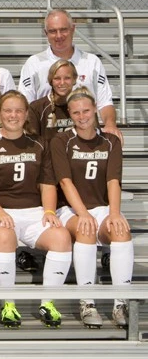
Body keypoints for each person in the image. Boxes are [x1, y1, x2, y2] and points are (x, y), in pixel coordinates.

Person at [0, 90, 72, 328]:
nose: (13, 115)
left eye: (19, 110)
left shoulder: (39, 143)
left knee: (61, 237)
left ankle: (48, 303)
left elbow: (47, 183)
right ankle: (8, 304)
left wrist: (50, 212)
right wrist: (0, 213)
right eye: (8, 110)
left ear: (26, 114)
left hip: (33, 212)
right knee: (4, 235)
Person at [53, 87, 132, 328]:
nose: (82, 116)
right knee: (85, 230)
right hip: (70, 209)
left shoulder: (110, 141)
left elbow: (113, 180)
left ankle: (121, 303)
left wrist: (114, 213)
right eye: (76, 112)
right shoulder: (61, 140)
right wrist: (83, 213)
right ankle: (87, 303)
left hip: (102, 206)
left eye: (86, 110)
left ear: (95, 108)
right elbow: (65, 182)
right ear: (70, 113)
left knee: (121, 231)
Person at [19, 9, 120, 139]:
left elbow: (104, 101)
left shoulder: (91, 61)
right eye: (53, 31)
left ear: (73, 29)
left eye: (63, 29)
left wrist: (111, 125)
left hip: (86, 139)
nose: (59, 35)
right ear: (46, 33)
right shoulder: (34, 63)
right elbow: (25, 105)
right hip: (48, 138)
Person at [28, 59, 76, 139]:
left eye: (67, 78)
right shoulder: (36, 108)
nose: (62, 82)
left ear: (74, 79)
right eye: (57, 78)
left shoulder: (84, 106)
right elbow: (33, 144)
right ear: (51, 81)